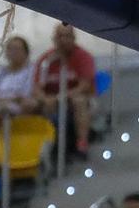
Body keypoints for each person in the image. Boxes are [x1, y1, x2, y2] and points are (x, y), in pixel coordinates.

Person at [34, 23, 97, 156]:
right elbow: (37, 87)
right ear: (54, 39)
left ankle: (82, 143)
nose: (63, 40)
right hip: (52, 100)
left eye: (67, 36)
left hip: (76, 99)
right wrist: (45, 99)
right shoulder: (46, 60)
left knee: (79, 101)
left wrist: (60, 97)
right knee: (30, 105)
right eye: (60, 36)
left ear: (73, 38)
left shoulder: (83, 57)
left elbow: (84, 86)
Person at [0, 33, 37, 124]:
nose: (13, 52)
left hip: (21, 113)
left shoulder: (32, 71)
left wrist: (9, 100)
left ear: (26, 52)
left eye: (17, 49)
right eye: (10, 49)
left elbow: (26, 95)